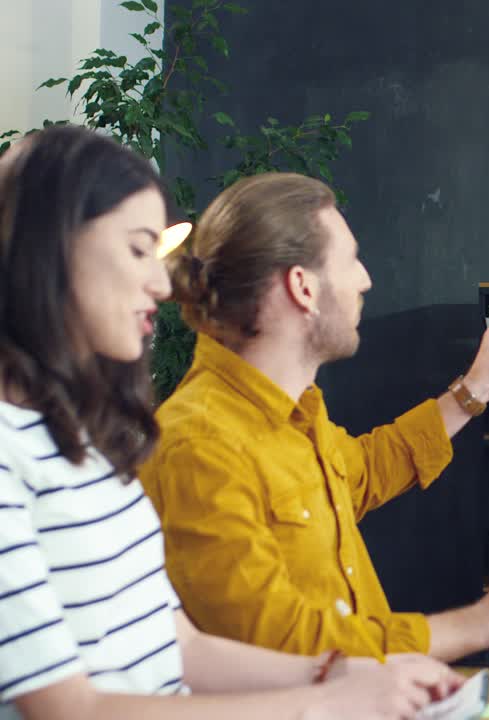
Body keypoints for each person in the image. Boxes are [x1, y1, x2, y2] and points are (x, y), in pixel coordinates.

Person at [0, 126, 462, 720]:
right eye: (139, 249)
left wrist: (339, 672)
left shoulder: (92, 442)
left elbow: (180, 647)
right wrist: (322, 703)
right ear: (51, 249)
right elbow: (70, 710)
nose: (161, 283)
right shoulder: (15, 456)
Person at [137, 172, 489, 661]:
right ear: (303, 287)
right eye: (351, 260)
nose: (365, 279)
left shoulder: (296, 414)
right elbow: (280, 643)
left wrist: (474, 389)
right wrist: (481, 624)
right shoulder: (199, 444)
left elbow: (364, 470)